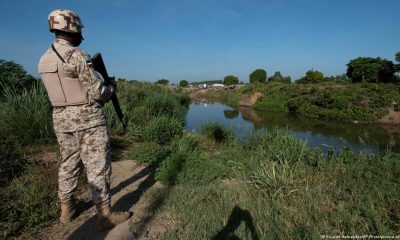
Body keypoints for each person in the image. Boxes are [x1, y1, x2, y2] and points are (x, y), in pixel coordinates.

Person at [38, 9, 131, 231]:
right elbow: (98, 92)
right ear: (71, 28)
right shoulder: (77, 55)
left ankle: (66, 209)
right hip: (87, 119)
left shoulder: (44, 58)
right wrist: (111, 87)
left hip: (61, 118)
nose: (81, 34)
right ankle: (105, 216)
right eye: (79, 29)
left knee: (68, 163)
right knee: (97, 166)